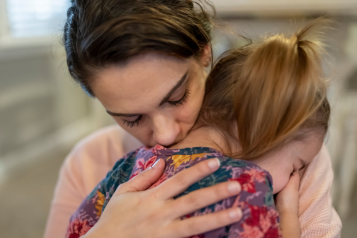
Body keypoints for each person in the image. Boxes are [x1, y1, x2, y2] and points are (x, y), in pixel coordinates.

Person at [43, 0, 342, 237]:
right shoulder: (87, 162)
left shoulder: (293, 142)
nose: (165, 136)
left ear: (204, 53)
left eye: (177, 97)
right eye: (132, 118)